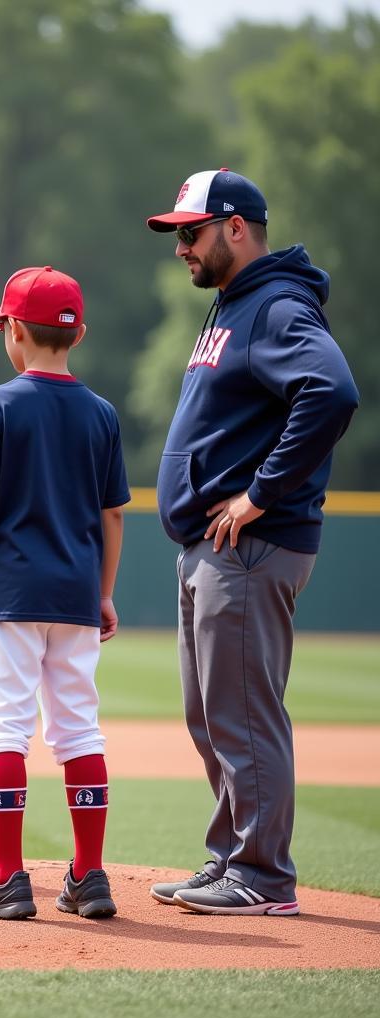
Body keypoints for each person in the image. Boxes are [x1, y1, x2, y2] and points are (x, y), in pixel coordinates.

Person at [145, 169, 359, 915]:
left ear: (237, 227)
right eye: (177, 234)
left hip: (251, 547)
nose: (181, 247)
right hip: (215, 548)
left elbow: (331, 391)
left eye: (191, 232)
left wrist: (260, 493)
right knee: (210, 715)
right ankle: (231, 859)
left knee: (240, 713)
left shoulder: (275, 304)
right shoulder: (236, 305)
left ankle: (263, 877)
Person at [0, 266, 129, 921]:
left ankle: (5, 878)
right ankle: (89, 876)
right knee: (78, 729)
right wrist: (103, 594)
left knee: (5, 729)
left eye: (5, 326)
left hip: (12, 596)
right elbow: (112, 516)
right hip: (77, 594)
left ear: (15, 330)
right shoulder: (101, 412)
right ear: (78, 333)